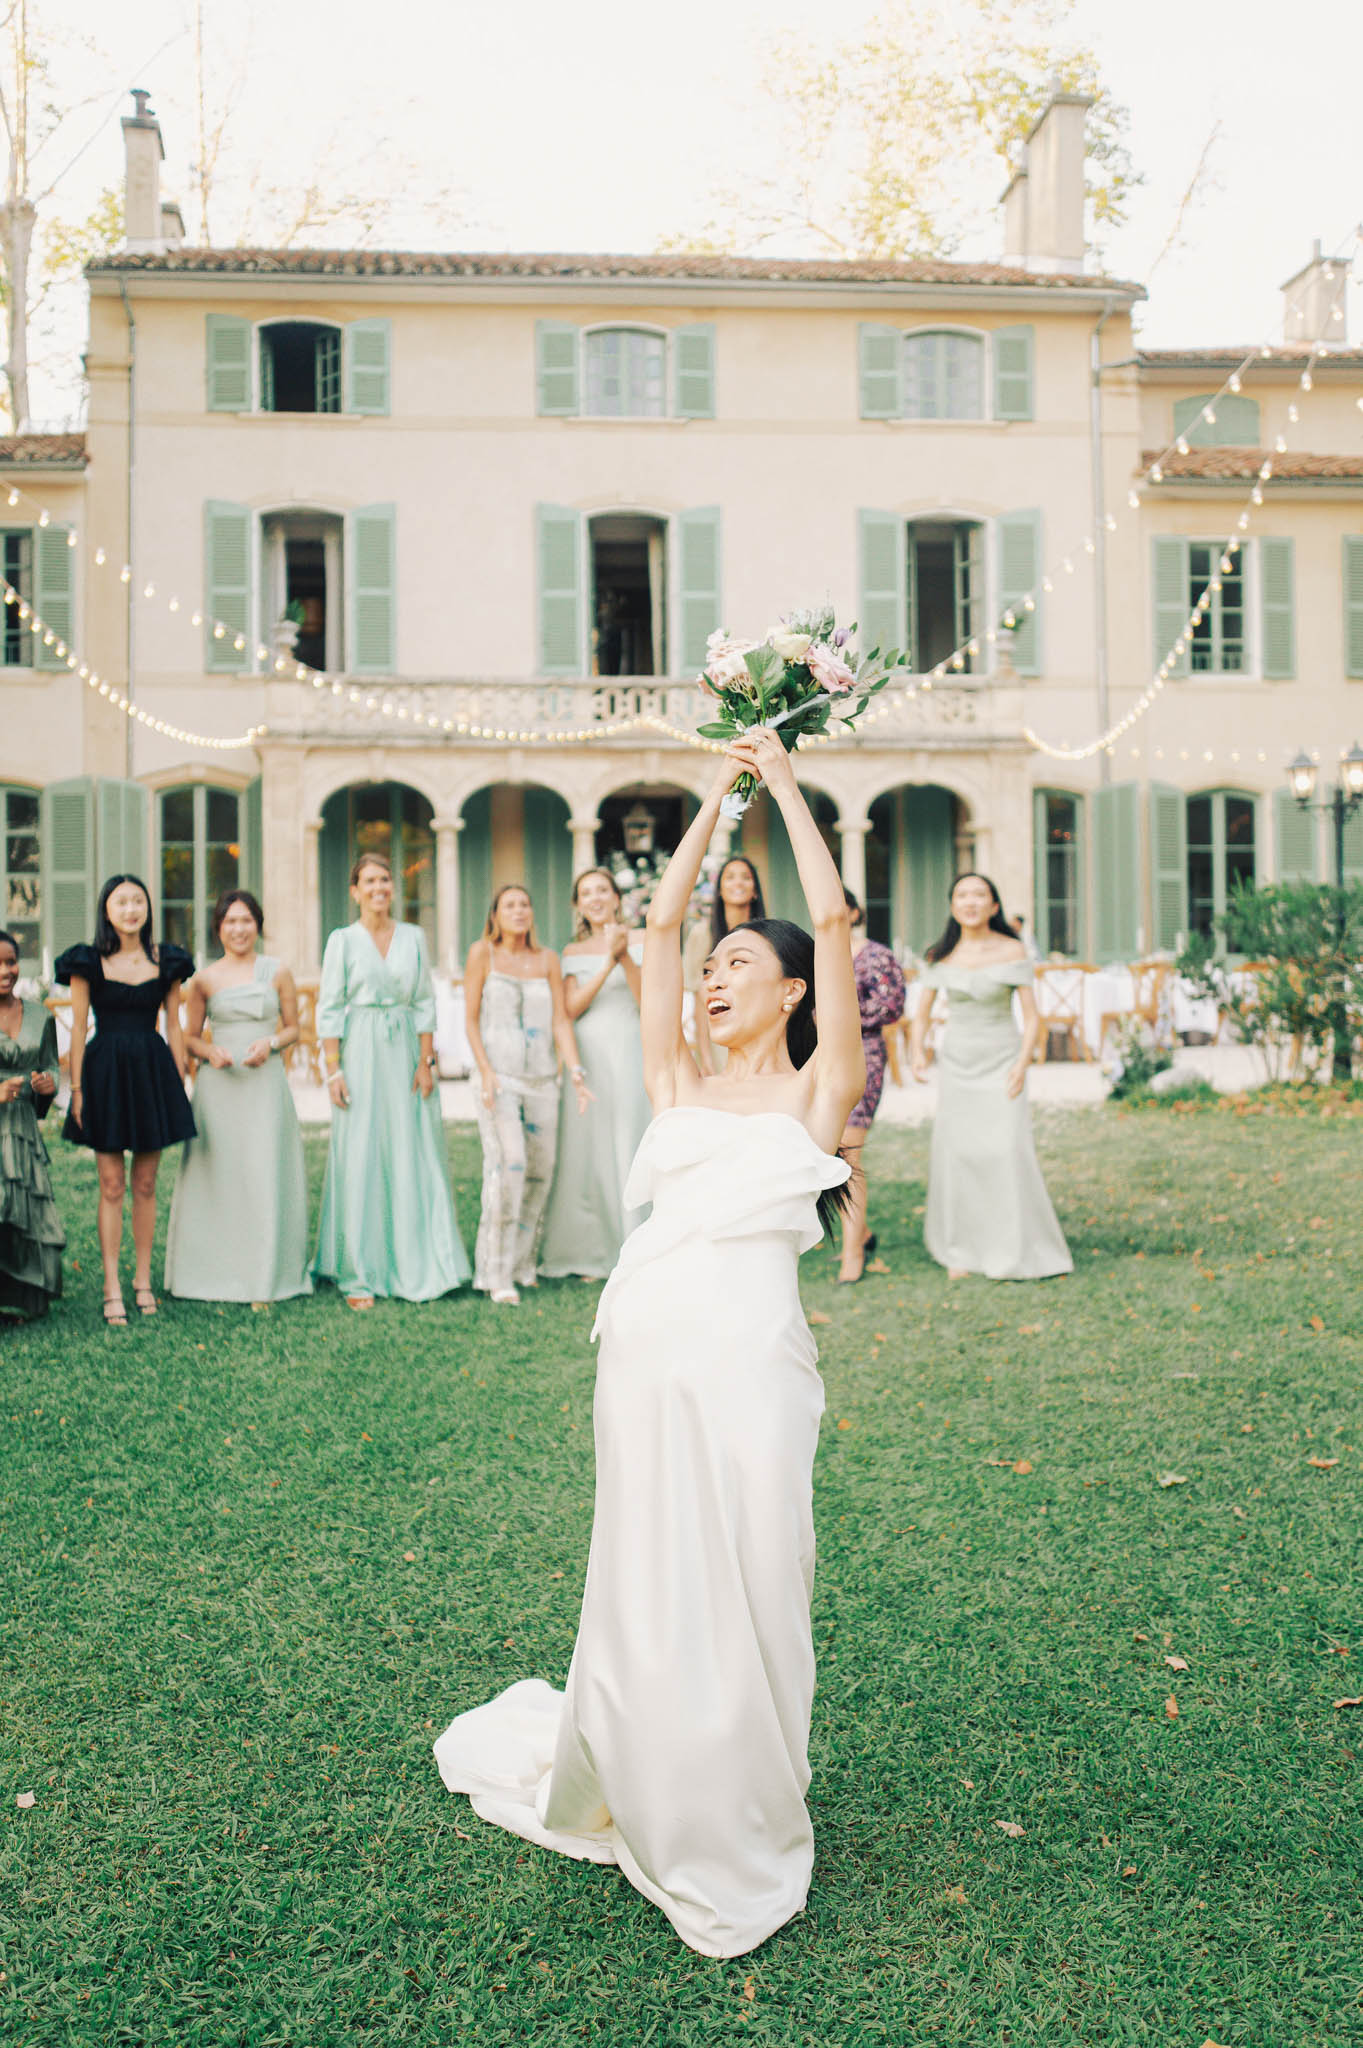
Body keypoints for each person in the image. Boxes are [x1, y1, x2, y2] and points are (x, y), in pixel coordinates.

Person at [435, 728, 865, 1959]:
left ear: (789, 992)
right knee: (647, 1573)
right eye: (714, 965)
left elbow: (832, 926)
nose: (716, 976)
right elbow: (659, 924)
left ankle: (740, 1794)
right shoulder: (674, 1071)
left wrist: (783, 782)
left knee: (759, 1573)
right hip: (643, 1357)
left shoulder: (813, 1088)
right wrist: (715, 795)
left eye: (745, 964)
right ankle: (646, 1769)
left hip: (753, 1363)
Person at [312, 853, 470, 1308]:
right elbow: (329, 1007)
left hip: (405, 1050)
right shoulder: (342, 940)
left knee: (411, 1149)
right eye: (369, 880)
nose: (379, 887)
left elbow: (424, 1001)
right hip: (359, 1049)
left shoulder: (414, 937)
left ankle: (419, 1259)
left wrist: (425, 1063)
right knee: (360, 1153)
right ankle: (359, 1272)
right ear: (354, 890)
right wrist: (333, 1069)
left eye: (385, 879)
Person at [909, 872, 1072, 1281]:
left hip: (1002, 1061)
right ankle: (960, 1249)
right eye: (962, 894)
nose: (971, 901)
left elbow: (1033, 1018)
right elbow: (922, 1013)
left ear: (994, 905)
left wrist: (1022, 1063)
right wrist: (917, 1052)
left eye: (979, 895)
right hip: (959, 1063)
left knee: (1005, 1151)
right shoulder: (940, 955)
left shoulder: (1013, 949)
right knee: (960, 1153)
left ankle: (1011, 1245)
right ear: (952, 905)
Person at [56, 875, 195, 1324]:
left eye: (139, 901)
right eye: (122, 902)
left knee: (147, 1184)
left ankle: (142, 1280)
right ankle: (111, 1284)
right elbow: (78, 1028)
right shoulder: (86, 960)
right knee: (112, 1184)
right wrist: (76, 1088)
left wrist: (178, 1081)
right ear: (107, 910)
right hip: (104, 1074)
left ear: (147, 908)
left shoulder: (167, 960)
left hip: (152, 1069)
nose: (131, 909)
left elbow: (174, 1024)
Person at [164, 889, 312, 1304]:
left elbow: (293, 1028)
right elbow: (188, 1036)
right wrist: (210, 1051)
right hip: (221, 1086)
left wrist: (271, 1044)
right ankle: (210, 1270)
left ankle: (265, 1273)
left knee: (264, 1170)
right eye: (230, 921)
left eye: (246, 920)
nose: (239, 928)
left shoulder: (278, 971)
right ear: (219, 928)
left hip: (264, 1083)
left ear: (258, 925)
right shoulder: (205, 979)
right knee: (220, 1175)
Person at [464, 883, 590, 1305]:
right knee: (509, 1165)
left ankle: (522, 1263)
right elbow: (469, 1020)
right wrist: (484, 1072)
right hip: (498, 1078)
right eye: (509, 905)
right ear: (495, 914)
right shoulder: (483, 953)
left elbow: (559, 1021)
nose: (519, 911)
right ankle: (494, 1270)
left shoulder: (548, 959)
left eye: (525, 904)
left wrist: (574, 1070)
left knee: (541, 1170)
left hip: (541, 1080)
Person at [539, 867, 652, 1281]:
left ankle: (638, 1244)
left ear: (617, 898)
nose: (596, 898)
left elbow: (647, 1001)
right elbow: (569, 1010)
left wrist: (624, 955)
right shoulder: (572, 952)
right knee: (589, 1149)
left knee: (630, 1140)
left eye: (602, 890)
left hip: (630, 1049)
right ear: (578, 904)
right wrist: (608, 962)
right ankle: (593, 1248)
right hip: (589, 1053)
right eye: (586, 893)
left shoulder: (642, 940)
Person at [836, 887, 907, 1285]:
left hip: (864, 1054)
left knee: (849, 1154)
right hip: (817, 1058)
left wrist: (837, 1015)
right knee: (829, 1152)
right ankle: (858, 1230)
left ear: (854, 911)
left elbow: (892, 1004)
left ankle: (852, 1253)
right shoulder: (811, 955)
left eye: (839, 904)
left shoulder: (876, 955)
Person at [0, 929, 65, 1319]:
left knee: (24, 1209)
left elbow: (52, 1065)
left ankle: (22, 1296)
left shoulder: (40, 1014)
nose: (5, 970)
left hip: (22, 1130)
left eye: (10, 961)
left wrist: (46, 1084)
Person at [683, 852, 765, 1075]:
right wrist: (705, 1058)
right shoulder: (702, 935)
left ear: (755, 890)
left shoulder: (768, 937)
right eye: (730, 877)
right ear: (719, 889)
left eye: (745, 877)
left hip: (761, 1037)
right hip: (719, 1039)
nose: (738, 882)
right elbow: (700, 1003)